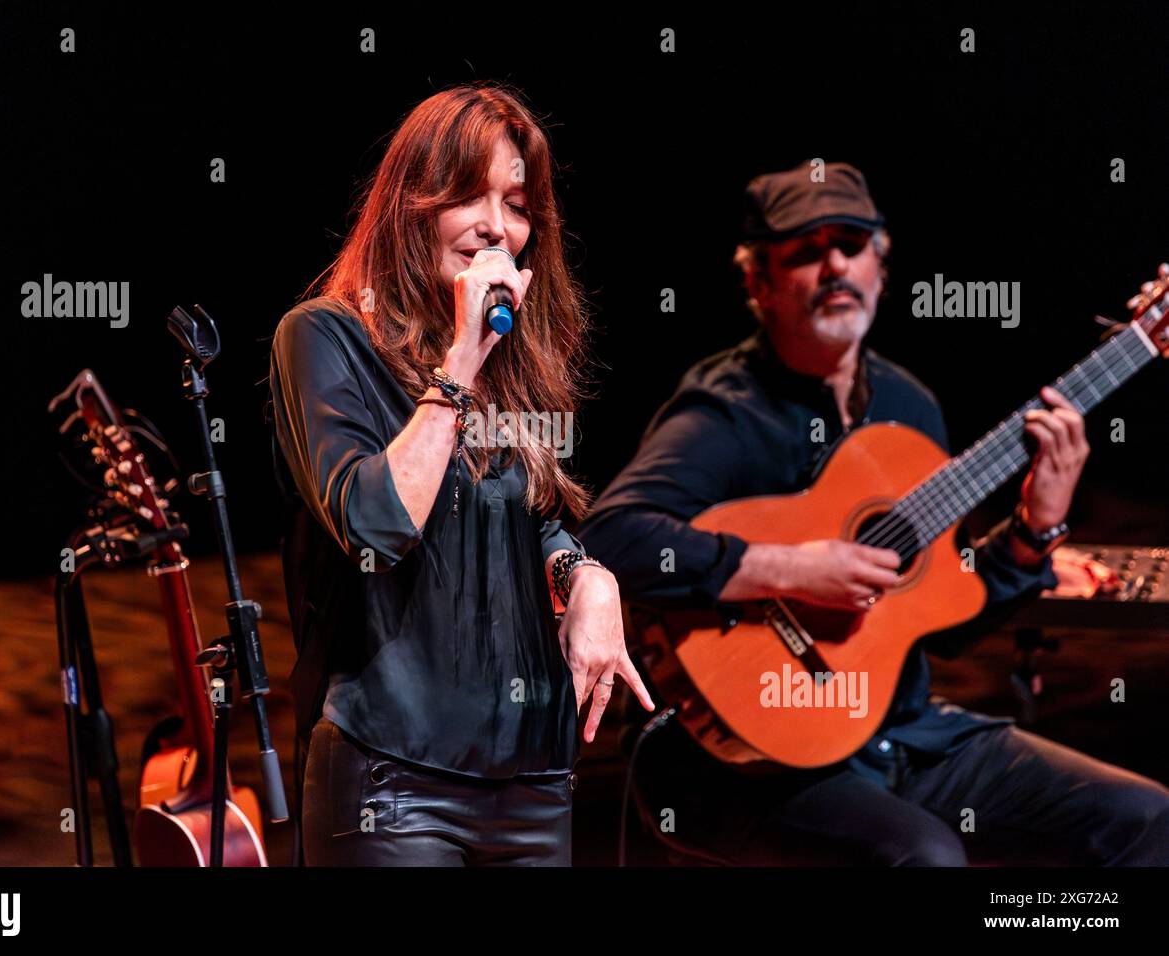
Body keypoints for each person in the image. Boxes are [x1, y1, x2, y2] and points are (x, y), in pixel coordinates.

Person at [577, 160, 1169, 865]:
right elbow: (610, 539)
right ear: (759, 284)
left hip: (898, 731)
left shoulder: (908, 409)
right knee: (924, 858)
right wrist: (793, 568)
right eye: (805, 249)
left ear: (881, 272)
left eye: (852, 245)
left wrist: (1035, 531)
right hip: (734, 765)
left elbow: (940, 618)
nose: (835, 264)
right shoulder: (726, 410)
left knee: (1145, 817)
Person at [268, 84, 653, 866]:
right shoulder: (323, 339)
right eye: (468, 197)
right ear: (412, 204)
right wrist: (460, 366)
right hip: (393, 780)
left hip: (532, 778)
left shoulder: (508, 369)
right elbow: (377, 524)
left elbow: (529, 516)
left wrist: (587, 576)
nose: (495, 227)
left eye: (515, 205)